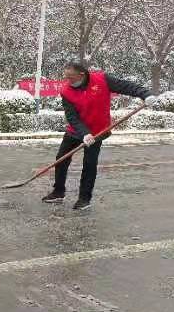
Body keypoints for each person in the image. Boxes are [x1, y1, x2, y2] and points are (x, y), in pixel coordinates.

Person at [42, 60, 153, 211]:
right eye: (66, 77)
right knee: (61, 159)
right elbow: (72, 117)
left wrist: (145, 94)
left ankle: (84, 199)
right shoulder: (66, 91)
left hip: (98, 131)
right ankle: (58, 191)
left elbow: (127, 86)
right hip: (76, 131)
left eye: (71, 77)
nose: (68, 81)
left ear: (82, 74)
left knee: (89, 164)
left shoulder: (102, 80)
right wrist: (84, 134)